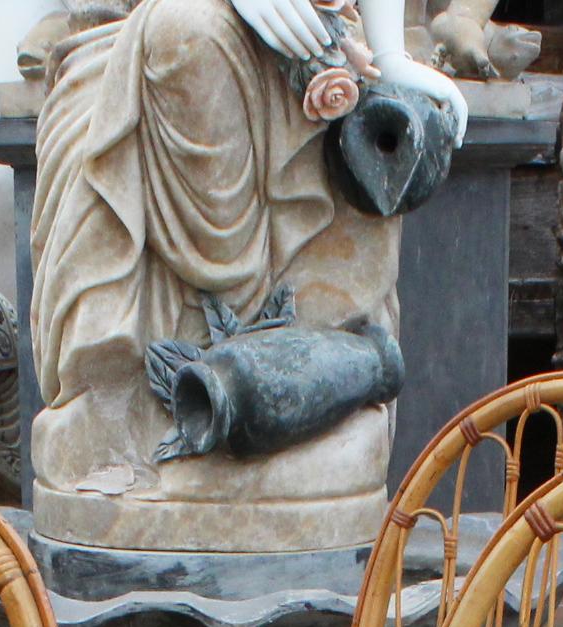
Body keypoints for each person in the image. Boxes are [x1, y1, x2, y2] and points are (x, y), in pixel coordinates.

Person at [27, 0, 462, 551]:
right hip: (183, 26)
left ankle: (282, 384)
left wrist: (391, 54)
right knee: (181, 31)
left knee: (364, 114)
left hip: (309, 38)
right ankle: (155, 401)